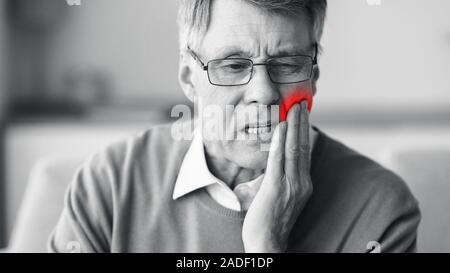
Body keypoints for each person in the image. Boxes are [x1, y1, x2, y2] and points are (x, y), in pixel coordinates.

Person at [48, 0, 420, 253]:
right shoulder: (107, 187)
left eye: (288, 65)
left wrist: (265, 246)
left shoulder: (381, 208)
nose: (263, 93)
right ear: (188, 78)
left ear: (313, 78)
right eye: (233, 65)